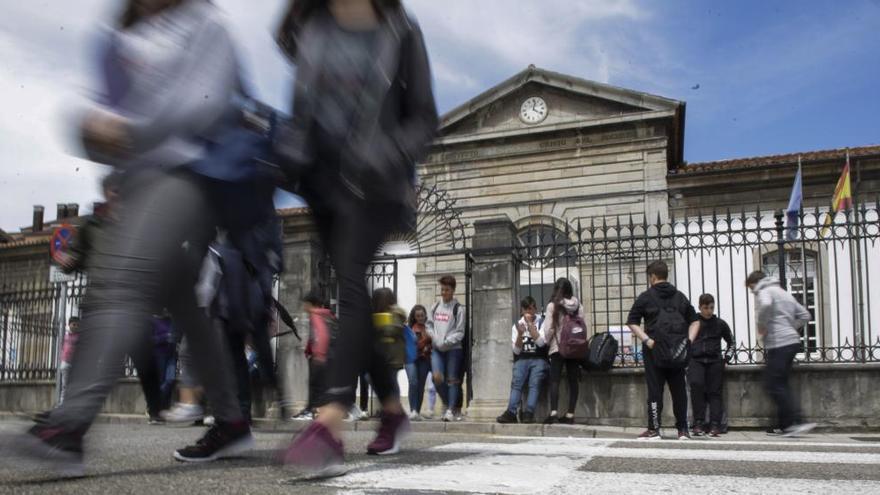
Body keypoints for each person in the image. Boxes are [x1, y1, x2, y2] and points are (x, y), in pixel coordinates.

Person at [8, 0, 260, 475]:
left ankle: (68, 428)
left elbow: (202, 104)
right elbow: (99, 106)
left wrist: (128, 130)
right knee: (184, 300)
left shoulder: (204, 24)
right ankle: (230, 419)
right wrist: (90, 126)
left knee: (118, 282)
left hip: (192, 172)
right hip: (140, 180)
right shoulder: (120, 36)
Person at [274, 0, 438, 473]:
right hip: (322, 182)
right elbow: (303, 110)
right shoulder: (312, 27)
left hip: (376, 182)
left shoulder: (401, 31)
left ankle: (328, 422)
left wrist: (384, 152)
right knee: (355, 296)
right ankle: (391, 412)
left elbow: (425, 117)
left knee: (348, 286)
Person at [626, 261, 700, 441]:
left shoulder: (646, 297)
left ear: (652, 277)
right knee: (679, 390)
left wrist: (647, 340)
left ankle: (654, 429)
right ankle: (682, 429)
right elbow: (696, 321)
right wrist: (688, 341)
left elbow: (632, 322)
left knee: (655, 390)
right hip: (678, 349)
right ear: (666, 275)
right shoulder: (680, 296)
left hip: (654, 350)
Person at [747, 271, 816, 437]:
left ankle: (798, 422)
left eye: (751, 288)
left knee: (773, 384)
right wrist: (791, 327)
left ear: (756, 283)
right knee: (781, 384)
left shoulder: (765, 291)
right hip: (792, 342)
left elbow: (765, 305)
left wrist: (761, 325)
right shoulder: (784, 293)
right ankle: (785, 425)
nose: (752, 292)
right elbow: (806, 315)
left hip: (780, 344)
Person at [497, 296, 548, 424]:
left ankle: (528, 412)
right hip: (522, 358)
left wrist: (531, 326)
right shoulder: (517, 326)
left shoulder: (542, 322)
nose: (529, 312)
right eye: (526, 310)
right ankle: (511, 412)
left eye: (531, 309)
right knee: (517, 383)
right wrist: (520, 334)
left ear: (535, 308)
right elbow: (516, 351)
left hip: (539, 358)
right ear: (522, 311)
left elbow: (541, 343)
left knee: (534, 383)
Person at [688, 294, 733, 438]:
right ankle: (698, 423)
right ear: (700, 307)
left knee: (715, 393)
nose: (709, 311)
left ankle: (715, 425)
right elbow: (685, 340)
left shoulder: (720, 324)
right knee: (696, 388)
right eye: (706, 308)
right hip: (696, 360)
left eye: (711, 308)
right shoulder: (693, 322)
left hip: (714, 362)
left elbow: (731, 342)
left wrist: (726, 358)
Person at [541, 278, 584, 425]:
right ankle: (570, 414)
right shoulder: (578, 305)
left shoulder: (552, 306)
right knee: (573, 381)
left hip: (557, 347)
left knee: (555, 380)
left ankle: (554, 413)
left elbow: (548, 330)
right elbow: (581, 325)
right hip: (574, 347)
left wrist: (547, 342)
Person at [427, 275, 467, 422]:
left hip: (453, 349)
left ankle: (451, 409)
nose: (444, 293)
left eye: (447, 290)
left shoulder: (458, 309)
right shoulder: (435, 306)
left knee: (452, 380)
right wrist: (436, 339)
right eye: (442, 289)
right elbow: (429, 325)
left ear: (453, 290)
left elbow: (460, 332)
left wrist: (446, 341)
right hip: (437, 348)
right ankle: (447, 402)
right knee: (436, 377)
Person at [292, 292, 336, 421]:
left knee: (315, 385)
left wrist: (318, 355)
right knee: (320, 386)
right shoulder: (327, 315)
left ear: (311, 304)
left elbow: (321, 335)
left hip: (320, 356)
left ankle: (311, 411)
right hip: (330, 356)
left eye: (305, 304)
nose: (304, 307)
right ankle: (313, 410)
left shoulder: (315, 316)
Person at [404, 305, 431, 420]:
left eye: (422, 315)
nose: (420, 318)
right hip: (410, 359)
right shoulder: (410, 329)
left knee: (420, 386)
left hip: (424, 360)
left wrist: (428, 346)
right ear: (414, 317)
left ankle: (417, 412)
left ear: (425, 316)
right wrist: (426, 340)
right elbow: (413, 345)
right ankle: (413, 410)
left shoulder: (429, 328)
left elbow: (433, 344)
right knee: (413, 382)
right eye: (418, 316)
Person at [58, 317, 81, 405]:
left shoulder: (79, 337)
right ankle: (62, 404)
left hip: (75, 363)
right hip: (65, 362)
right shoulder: (65, 335)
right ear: (69, 325)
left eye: (77, 325)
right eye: (74, 324)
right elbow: (61, 347)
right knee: (64, 385)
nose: (75, 327)